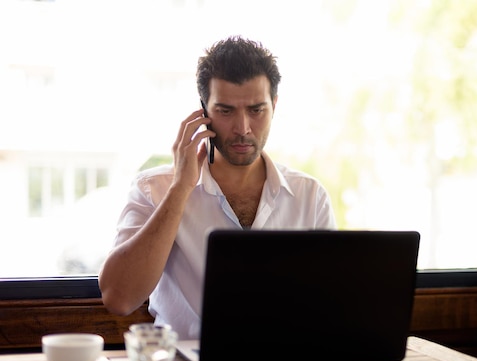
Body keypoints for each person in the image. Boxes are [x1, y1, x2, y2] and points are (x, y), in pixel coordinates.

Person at [98, 36, 336, 340]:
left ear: (274, 106)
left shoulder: (310, 197)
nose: (242, 128)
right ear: (202, 112)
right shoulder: (154, 189)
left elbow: (327, 305)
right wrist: (181, 189)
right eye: (225, 111)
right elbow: (119, 298)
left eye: (256, 110)